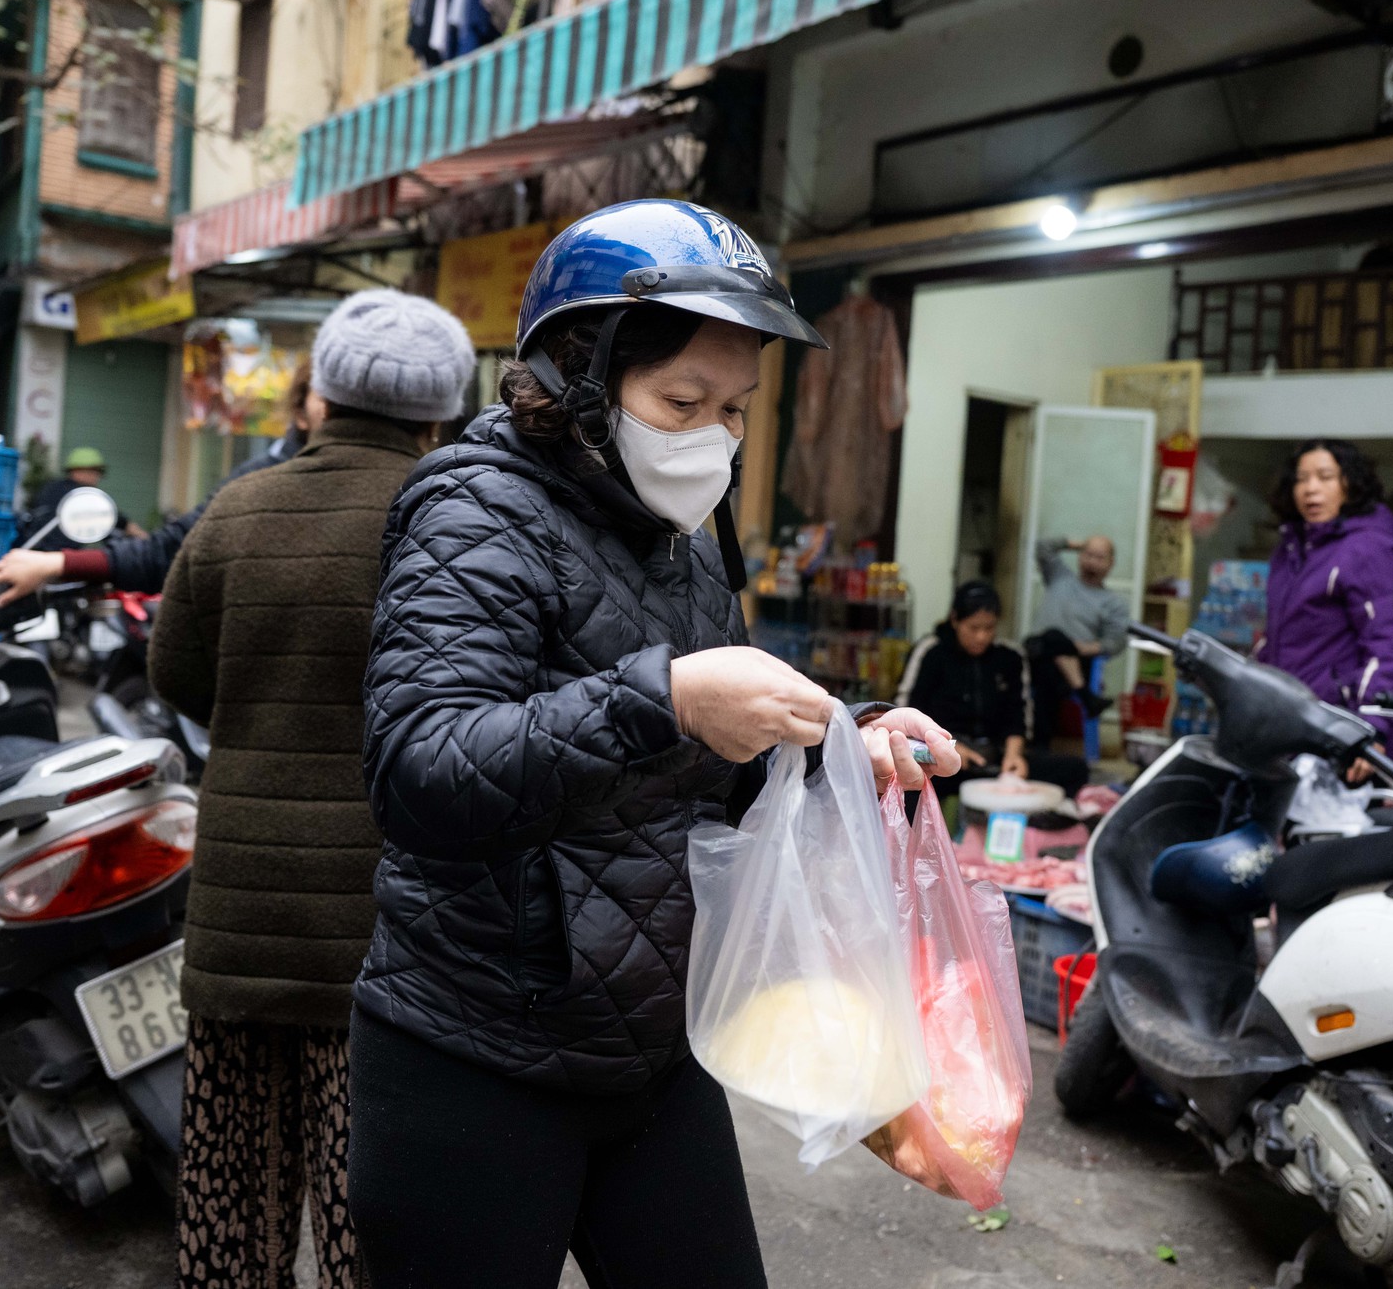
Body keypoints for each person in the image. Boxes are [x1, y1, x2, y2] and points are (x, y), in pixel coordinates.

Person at [346, 199, 958, 1289]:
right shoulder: (471, 508)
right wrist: (660, 699)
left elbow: (701, 771)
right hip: (475, 1053)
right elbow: (419, 771)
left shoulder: (682, 542)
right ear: (580, 377)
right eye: (684, 400)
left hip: (654, 1047)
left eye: (735, 408)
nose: (716, 435)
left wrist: (836, 750)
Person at [148, 290, 475, 1289]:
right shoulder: (459, 519)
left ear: (319, 396)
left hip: (239, 926)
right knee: (368, 1225)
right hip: (386, 944)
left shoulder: (238, 508)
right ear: (438, 414)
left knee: (229, 1217)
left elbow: (176, 679)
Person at [0, 360, 312, 604]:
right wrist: (59, 562)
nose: (96, 477)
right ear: (300, 410)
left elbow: (141, 535)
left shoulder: (74, 493)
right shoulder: (263, 480)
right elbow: (165, 548)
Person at [1260, 437, 1393, 776]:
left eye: (1325, 476)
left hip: (1343, 737)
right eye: (1301, 479)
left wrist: (1372, 727)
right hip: (1293, 729)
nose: (1310, 489)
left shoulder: (1368, 549)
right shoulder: (1290, 551)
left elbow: (1389, 646)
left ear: (1351, 484)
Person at [897, 580, 1089, 796]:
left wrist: (1013, 756)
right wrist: (949, 749)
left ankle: (1034, 827)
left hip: (994, 760)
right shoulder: (931, 652)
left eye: (989, 628)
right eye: (973, 628)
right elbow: (905, 713)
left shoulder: (1010, 657)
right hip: (941, 758)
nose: (982, 636)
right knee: (910, 780)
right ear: (954, 620)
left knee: (1075, 769)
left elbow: (1018, 716)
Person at [1029, 534, 1128, 722]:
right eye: (1088, 554)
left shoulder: (1113, 603)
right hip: (1036, 650)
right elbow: (1043, 544)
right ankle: (1085, 695)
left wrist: (1084, 648)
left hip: (1076, 660)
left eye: (1100, 557)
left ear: (1111, 563)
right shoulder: (1059, 576)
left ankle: (1040, 743)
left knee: (1049, 667)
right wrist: (1078, 544)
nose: (1092, 562)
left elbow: (1117, 641)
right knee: (1051, 637)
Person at [24, 447, 147, 546]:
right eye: (95, 472)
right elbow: (116, 518)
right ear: (79, 471)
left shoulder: (51, 487)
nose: (97, 478)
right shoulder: (84, 496)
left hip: (32, 547)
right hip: (57, 557)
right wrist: (146, 539)